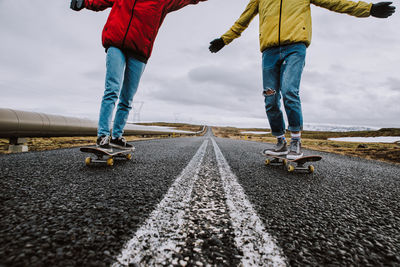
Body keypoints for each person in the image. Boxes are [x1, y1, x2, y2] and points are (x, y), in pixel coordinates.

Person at [209, 0, 395, 160]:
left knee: (289, 91)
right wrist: (224, 40)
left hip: (295, 48)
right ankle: (281, 142)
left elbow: (336, 2)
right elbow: (243, 20)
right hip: (269, 52)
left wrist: (368, 9)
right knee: (270, 98)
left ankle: (296, 141)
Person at [70, 0, 207, 150]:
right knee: (111, 90)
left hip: (139, 52)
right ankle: (103, 136)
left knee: (127, 98)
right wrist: (83, 2)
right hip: (116, 44)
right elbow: (100, 1)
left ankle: (116, 136)